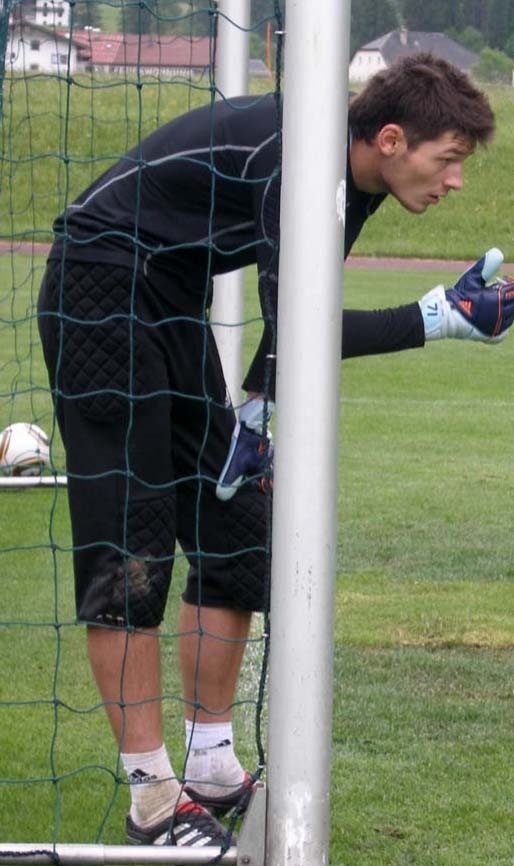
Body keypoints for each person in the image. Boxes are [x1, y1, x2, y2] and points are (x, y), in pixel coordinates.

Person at [37, 52, 514, 849]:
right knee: (131, 550)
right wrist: (437, 318)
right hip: (100, 287)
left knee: (235, 535)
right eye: (450, 158)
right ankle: (153, 800)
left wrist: (255, 419)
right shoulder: (298, 160)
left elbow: (287, 333)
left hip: (168, 298)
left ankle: (210, 766)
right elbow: (305, 325)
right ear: (391, 139)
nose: (457, 180)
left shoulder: (356, 183)